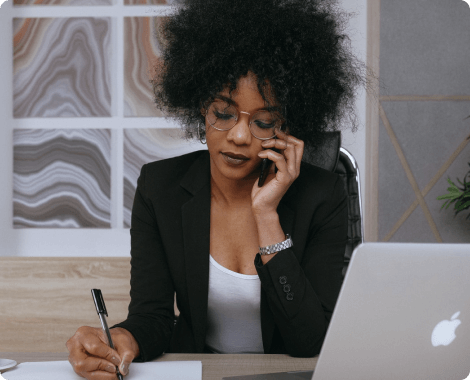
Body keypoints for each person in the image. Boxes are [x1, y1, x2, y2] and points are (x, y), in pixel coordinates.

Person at [66, 0, 365, 378]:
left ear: (286, 127)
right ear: (199, 109)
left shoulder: (321, 195)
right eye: (223, 114)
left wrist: (266, 215)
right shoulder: (161, 188)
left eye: (264, 121)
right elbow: (152, 317)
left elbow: (309, 341)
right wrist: (122, 338)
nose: (239, 136)